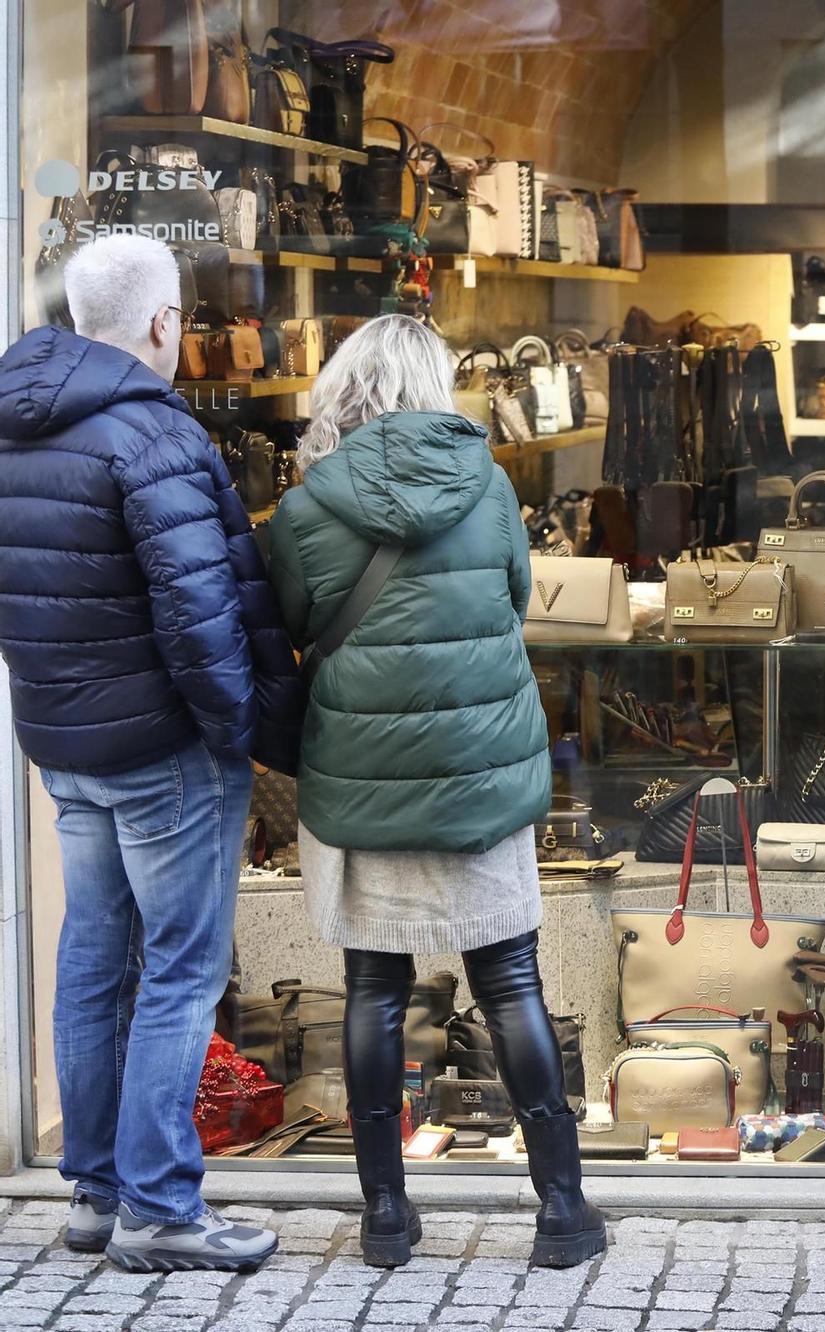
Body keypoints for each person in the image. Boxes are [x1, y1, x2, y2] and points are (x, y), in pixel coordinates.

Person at [265, 315, 603, 1269]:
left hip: (362, 780)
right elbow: (511, 595)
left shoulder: (302, 512)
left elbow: (290, 630)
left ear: (342, 389)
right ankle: (564, 1210)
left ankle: (384, 1217)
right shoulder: (490, 487)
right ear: (432, 386)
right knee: (510, 981)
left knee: (373, 989)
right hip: (483, 776)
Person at [0, 234, 302, 1271]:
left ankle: (93, 1195)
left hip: (64, 739)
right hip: (164, 749)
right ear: (165, 324)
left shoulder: (14, 429)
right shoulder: (153, 438)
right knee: (178, 972)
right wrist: (244, 734)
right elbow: (200, 617)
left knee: (93, 959)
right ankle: (161, 1208)